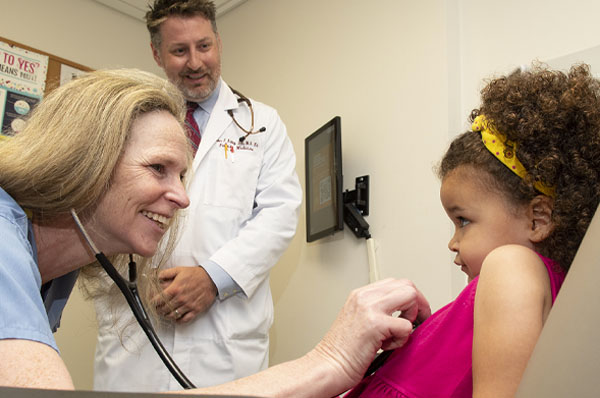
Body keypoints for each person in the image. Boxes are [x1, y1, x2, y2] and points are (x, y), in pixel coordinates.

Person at [0, 67, 432, 396]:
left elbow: (279, 215)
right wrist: (329, 359)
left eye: (181, 175)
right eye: (158, 169)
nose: (182, 197)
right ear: (80, 161)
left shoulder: (53, 274)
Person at [343, 64, 600, 398]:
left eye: (463, 220)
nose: (452, 243)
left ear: (538, 219)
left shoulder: (511, 268)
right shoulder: (528, 287)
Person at [93, 0, 303, 391]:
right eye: (179, 50)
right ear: (157, 53)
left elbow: (279, 214)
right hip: (136, 334)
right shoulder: (125, 120)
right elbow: (99, 208)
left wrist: (213, 278)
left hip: (224, 341)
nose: (194, 62)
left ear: (219, 42)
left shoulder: (262, 125)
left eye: (204, 46)